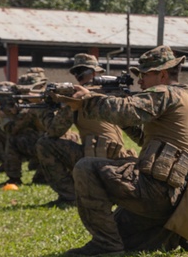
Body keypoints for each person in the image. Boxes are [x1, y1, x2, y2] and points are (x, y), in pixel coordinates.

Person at [55, 45, 188, 257]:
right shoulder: (184, 98)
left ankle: (105, 245)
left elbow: (126, 110)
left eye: (144, 75)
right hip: (172, 198)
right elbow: (148, 139)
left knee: (86, 167)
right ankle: (163, 235)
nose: (140, 81)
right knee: (123, 236)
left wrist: (87, 100)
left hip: (154, 191)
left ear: (162, 74)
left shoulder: (165, 93)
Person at [35, 53, 133, 208]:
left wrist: (44, 109)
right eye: (77, 72)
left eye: (82, 71)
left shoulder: (79, 97)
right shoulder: (109, 94)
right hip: (119, 159)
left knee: (45, 144)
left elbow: (54, 131)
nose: (79, 76)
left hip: (98, 158)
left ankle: (70, 197)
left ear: (95, 73)